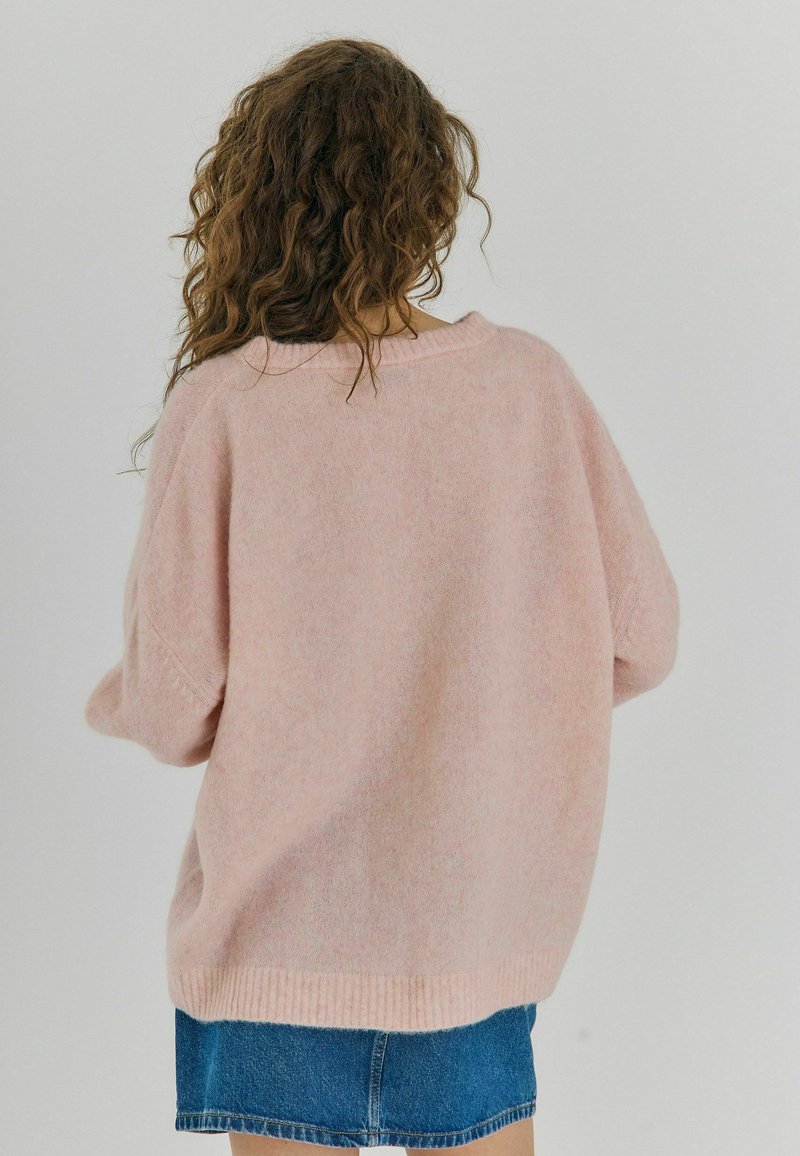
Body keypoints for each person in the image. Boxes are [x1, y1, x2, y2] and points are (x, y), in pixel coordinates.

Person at [83, 35, 680, 1156]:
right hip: (474, 931)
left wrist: (125, 700)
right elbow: (642, 639)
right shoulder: (530, 389)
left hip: (278, 941)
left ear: (255, 201)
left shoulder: (227, 405)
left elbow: (169, 708)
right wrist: (490, 699)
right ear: (431, 200)